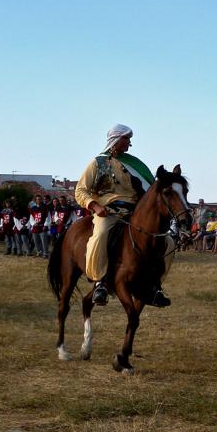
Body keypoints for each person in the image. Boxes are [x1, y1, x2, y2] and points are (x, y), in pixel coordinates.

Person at [75, 123, 170, 307]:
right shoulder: (98, 163)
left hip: (134, 212)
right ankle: (100, 282)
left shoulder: (136, 164)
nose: (129, 144)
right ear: (116, 139)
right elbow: (80, 191)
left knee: (167, 241)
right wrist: (94, 206)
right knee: (101, 235)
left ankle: (155, 286)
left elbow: (151, 191)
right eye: (127, 139)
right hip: (108, 211)